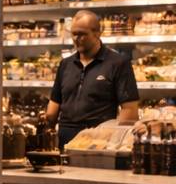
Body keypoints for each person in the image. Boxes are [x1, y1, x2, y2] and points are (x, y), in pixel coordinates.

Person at [45, 9, 139, 147]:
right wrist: (48, 131)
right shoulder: (65, 64)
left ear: (97, 33)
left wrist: (116, 143)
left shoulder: (118, 63)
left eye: (82, 34)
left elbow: (130, 110)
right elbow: (54, 104)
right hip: (65, 139)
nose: (77, 39)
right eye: (74, 34)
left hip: (98, 140)